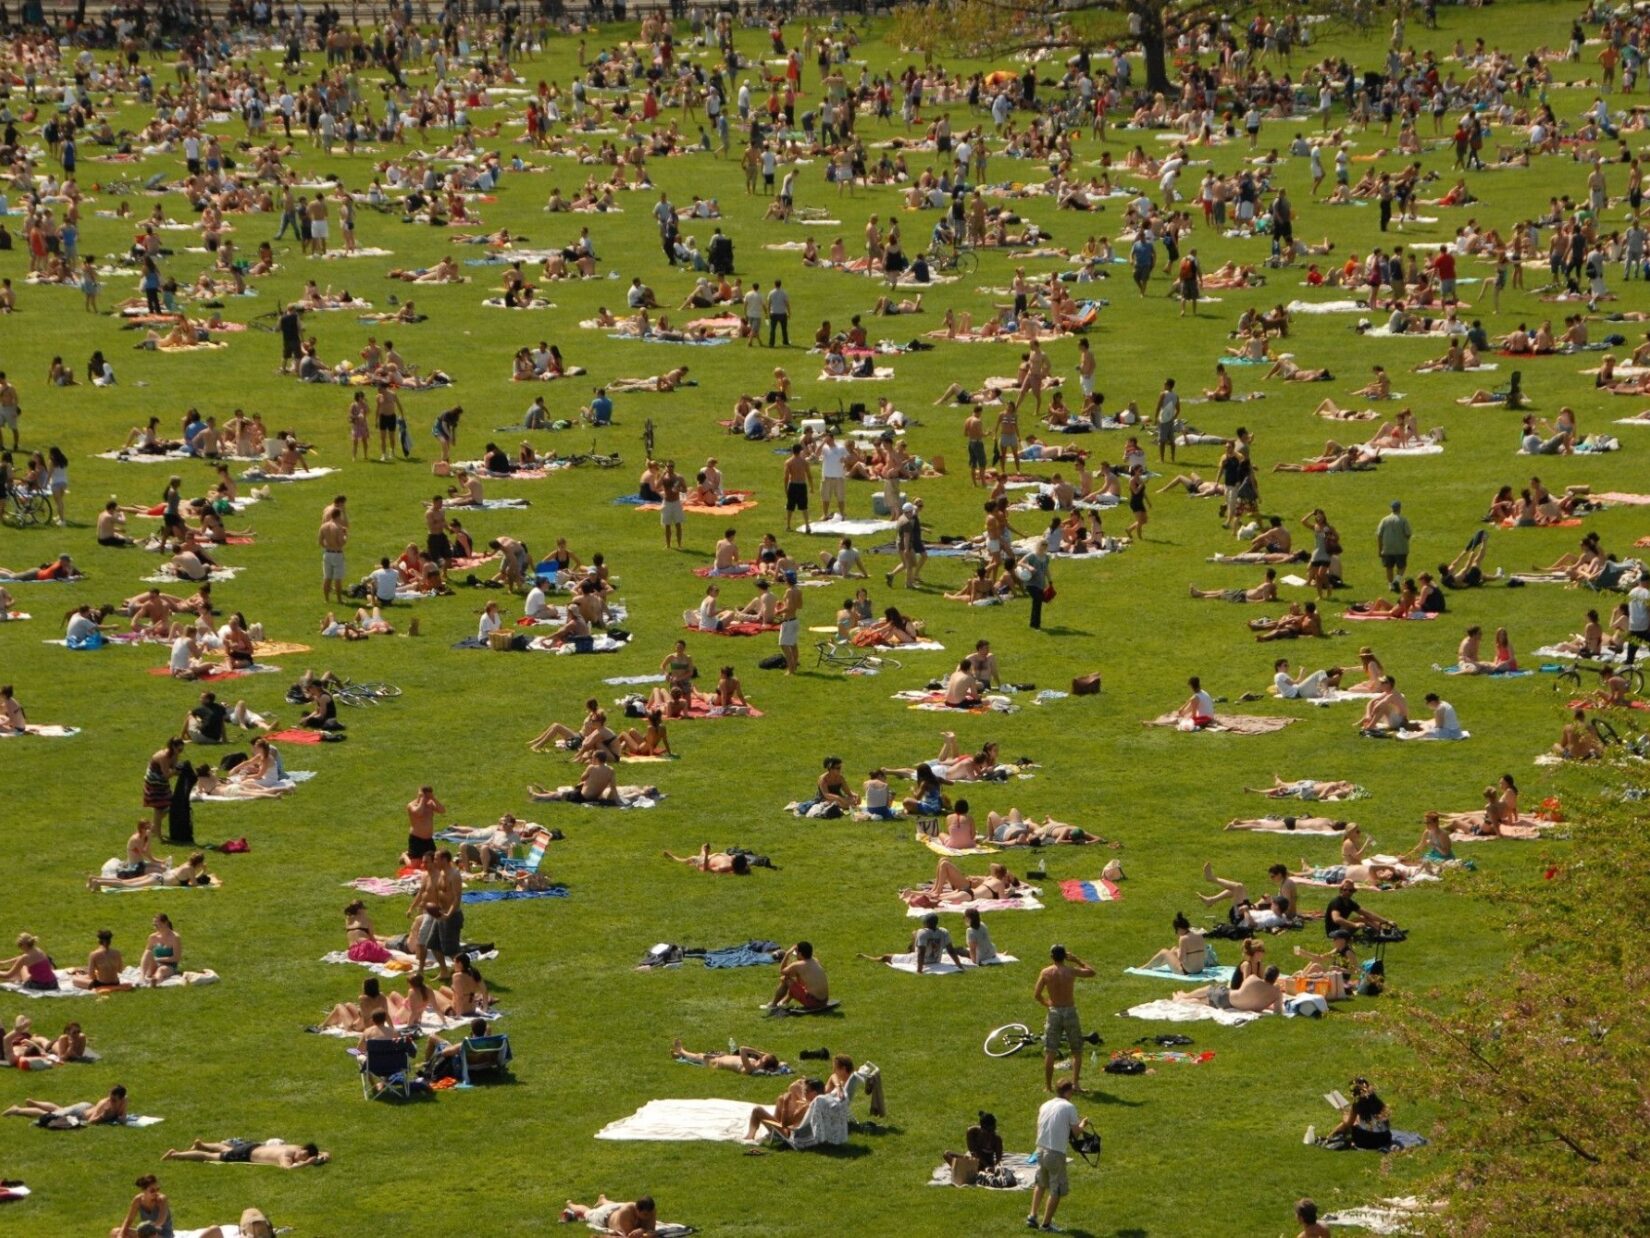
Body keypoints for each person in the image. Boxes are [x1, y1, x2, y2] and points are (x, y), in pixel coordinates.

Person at [1028, 1079, 1090, 1232]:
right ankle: (1046, 1225)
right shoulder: (1069, 1107)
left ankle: (1032, 1216)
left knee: (1040, 1184)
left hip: (1040, 1150)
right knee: (1056, 1189)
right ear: (1068, 1092)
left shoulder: (1045, 1105)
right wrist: (1083, 1124)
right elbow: (1075, 1133)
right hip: (1055, 1153)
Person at [1034, 944, 1095, 1092]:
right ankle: (1076, 1084)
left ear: (1051, 957)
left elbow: (1037, 994)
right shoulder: (1070, 971)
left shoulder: (1046, 972)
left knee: (1050, 1051)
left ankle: (1048, 1087)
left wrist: (1047, 1004)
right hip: (1070, 1011)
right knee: (1076, 1050)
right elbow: (1091, 972)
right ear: (1065, 956)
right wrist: (1076, 960)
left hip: (1054, 1012)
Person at [1326, 1076, 1393, 1150]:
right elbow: (1386, 1121)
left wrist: (1345, 1114)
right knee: (1357, 1120)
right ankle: (1329, 1137)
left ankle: (1329, 1138)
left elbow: (1348, 1123)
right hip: (1384, 1140)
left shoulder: (1357, 1105)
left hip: (1364, 1142)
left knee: (1349, 1121)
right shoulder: (1379, 1103)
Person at [163, 1139, 329, 1167]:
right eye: (303, 1156)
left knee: (228, 1149)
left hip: (253, 1147)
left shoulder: (295, 1148)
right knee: (210, 1157)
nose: (300, 1158)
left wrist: (323, 1155)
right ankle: (176, 1154)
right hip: (248, 1154)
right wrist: (306, 1164)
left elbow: (324, 1152)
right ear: (303, 1152)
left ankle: (202, 1144)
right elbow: (288, 1168)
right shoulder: (285, 1157)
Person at [766, 940, 829, 1012]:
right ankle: (784, 1002)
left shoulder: (798, 965)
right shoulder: (815, 960)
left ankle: (773, 1004)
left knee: (786, 979)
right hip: (824, 1001)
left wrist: (787, 954)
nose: (795, 955)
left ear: (800, 953)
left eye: (796, 953)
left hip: (813, 1003)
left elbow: (782, 971)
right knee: (796, 981)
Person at [1139, 913, 1208, 974]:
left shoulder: (1183, 938)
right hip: (1199, 969)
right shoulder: (1198, 934)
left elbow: (1181, 959)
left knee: (1164, 952)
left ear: (1179, 928)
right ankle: (1156, 965)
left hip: (1187, 971)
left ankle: (1145, 966)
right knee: (1174, 949)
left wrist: (1178, 951)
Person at [670, 1038, 784, 1074]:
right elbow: (782, 1064)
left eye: (763, 1057)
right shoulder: (756, 1065)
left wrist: (759, 1053)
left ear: (763, 1062)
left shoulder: (749, 1068)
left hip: (716, 1063)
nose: (761, 1057)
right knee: (711, 1053)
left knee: (699, 1056)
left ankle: (681, 1051)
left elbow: (742, 1049)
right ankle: (679, 1055)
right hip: (722, 1056)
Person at [560, 1196, 658, 1235]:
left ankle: (602, 1200)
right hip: (605, 1216)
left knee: (612, 1204)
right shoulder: (626, 1212)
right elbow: (630, 1235)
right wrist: (643, 1230)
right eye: (645, 1214)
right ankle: (570, 1204)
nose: (648, 1217)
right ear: (637, 1209)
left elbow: (651, 1230)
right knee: (588, 1213)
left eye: (649, 1214)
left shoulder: (650, 1209)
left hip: (617, 1207)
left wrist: (645, 1230)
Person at [1375, 499, 1413, 590]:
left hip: (1387, 548)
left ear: (1391, 508)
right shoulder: (1403, 520)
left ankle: (1390, 584)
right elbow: (1408, 534)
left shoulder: (1384, 520)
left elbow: (1379, 535)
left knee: (1389, 567)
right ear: (1400, 508)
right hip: (1401, 548)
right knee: (1402, 566)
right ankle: (1397, 579)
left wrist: (1380, 549)